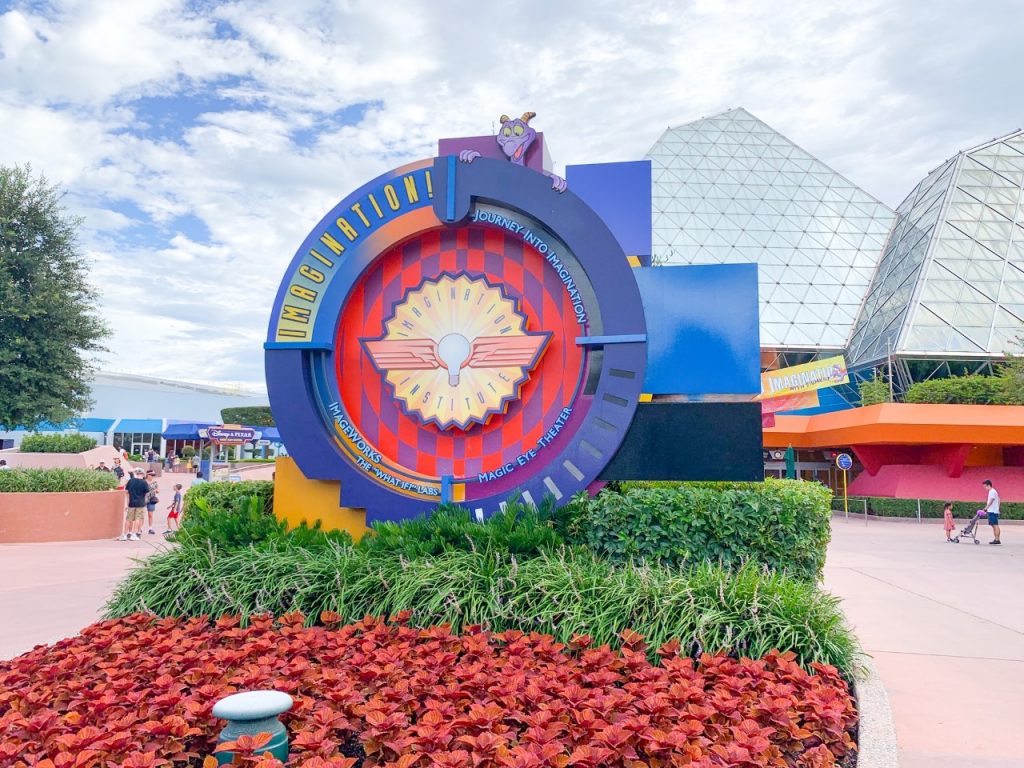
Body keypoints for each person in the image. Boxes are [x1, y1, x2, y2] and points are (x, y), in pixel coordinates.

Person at [121, 469, 150, 541]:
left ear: (136, 473)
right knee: (137, 519)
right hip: (140, 503)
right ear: (143, 474)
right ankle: (134, 534)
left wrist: (128, 503)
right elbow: (146, 493)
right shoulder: (144, 482)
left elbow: (127, 492)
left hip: (131, 503)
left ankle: (124, 535)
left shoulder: (131, 481)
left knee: (128, 519)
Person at [983, 479, 1001, 545]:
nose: (985, 488)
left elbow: (991, 501)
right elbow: (999, 499)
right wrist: (998, 508)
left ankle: (997, 539)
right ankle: (996, 539)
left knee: (995, 525)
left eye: (985, 486)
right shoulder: (992, 491)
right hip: (993, 510)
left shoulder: (992, 491)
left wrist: (986, 508)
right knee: (993, 525)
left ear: (988, 485)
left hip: (992, 511)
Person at [145, 471, 160, 535]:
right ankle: (139, 529)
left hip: (151, 499)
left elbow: (158, 490)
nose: (152, 476)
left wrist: (156, 491)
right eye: (151, 475)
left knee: (150, 514)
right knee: (141, 515)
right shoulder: (144, 482)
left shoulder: (155, 482)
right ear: (148, 475)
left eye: (153, 475)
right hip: (144, 499)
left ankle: (150, 528)